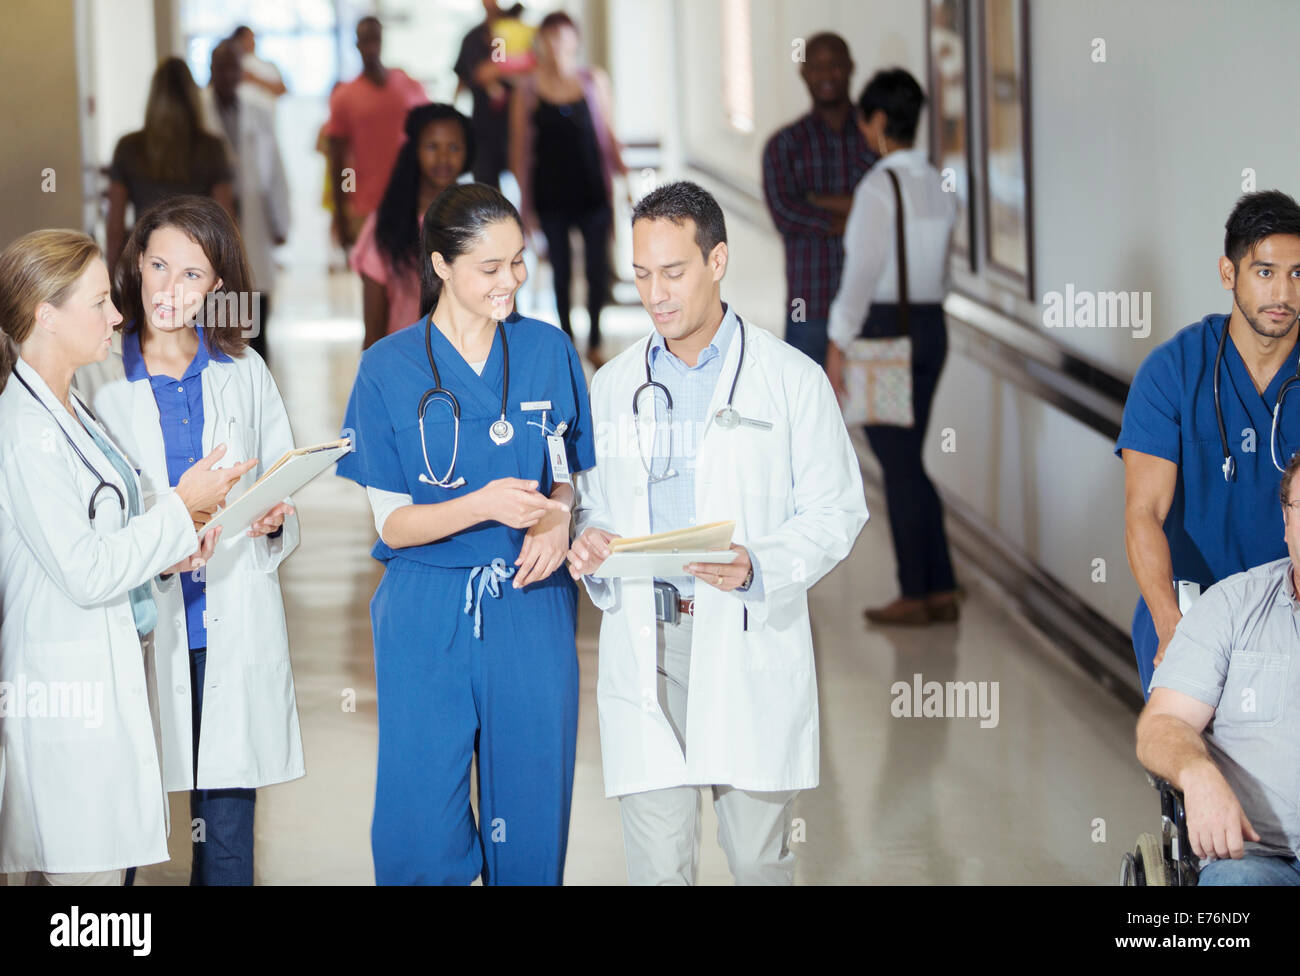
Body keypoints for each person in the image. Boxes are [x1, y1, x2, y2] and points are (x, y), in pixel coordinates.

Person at [567, 181, 868, 885]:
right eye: (642, 274)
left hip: (742, 632)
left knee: (760, 861)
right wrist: (593, 542)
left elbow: (836, 509)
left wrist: (759, 564)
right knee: (658, 867)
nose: (656, 294)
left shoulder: (790, 381)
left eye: (673, 271)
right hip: (651, 640)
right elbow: (595, 506)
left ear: (718, 260)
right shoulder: (611, 387)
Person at [335, 183, 595, 885]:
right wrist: (480, 504)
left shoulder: (547, 351)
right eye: (490, 267)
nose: (510, 280)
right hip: (425, 609)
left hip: (530, 597)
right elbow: (392, 520)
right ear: (442, 265)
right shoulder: (387, 368)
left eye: (517, 262)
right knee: (419, 820)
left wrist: (559, 511)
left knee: (533, 808)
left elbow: (569, 469)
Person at [0, 230, 248, 885]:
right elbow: (84, 572)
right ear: (47, 317)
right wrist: (178, 507)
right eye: (101, 302)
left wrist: (176, 539)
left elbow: (113, 537)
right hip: (64, 689)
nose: (118, 315)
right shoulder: (27, 434)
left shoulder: (69, 407)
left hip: (103, 676)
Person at [73, 196, 304, 886]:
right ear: (135, 266)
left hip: (227, 619)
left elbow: (279, 480)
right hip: (136, 625)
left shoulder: (244, 373)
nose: (169, 290)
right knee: (119, 815)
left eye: (193, 275)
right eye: (158, 266)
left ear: (220, 286)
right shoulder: (96, 376)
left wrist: (273, 518)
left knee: (227, 813)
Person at [1117, 190, 1300, 697]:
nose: (1282, 292)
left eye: (1297, 274)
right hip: (1189, 616)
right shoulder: (1174, 371)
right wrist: (1171, 624)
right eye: (1265, 272)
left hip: (1291, 622)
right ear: (1229, 273)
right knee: (1191, 769)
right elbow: (1143, 513)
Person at [824, 68, 959, 627]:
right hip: (932, 327)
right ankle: (940, 586)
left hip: (884, 331)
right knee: (910, 460)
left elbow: (862, 271)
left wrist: (837, 340)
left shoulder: (879, 186)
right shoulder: (939, 182)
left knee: (898, 463)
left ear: (878, 121)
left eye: (864, 121)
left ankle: (917, 590)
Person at [1135, 449, 1300, 884]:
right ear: (1286, 521)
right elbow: (1161, 725)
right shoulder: (1232, 607)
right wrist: (1196, 771)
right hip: (1258, 860)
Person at [510, 11, 627, 365]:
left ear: (575, 41)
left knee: (595, 268)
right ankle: (567, 341)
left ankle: (594, 338)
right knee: (559, 271)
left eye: (564, 38)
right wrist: (523, 207)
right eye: (551, 38)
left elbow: (606, 132)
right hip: (551, 197)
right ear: (542, 43)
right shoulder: (527, 89)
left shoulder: (593, 80)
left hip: (592, 192)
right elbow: (518, 150)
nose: (558, 46)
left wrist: (626, 181)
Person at [761, 32, 875, 369]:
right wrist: (856, 215)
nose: (827, 75)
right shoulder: (784, 144)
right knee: (807, 416)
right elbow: (785, 214)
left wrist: (816, 201)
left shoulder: (874, 139)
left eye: (835, 66)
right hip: (809, 307)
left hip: (871, 307)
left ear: (851, 68)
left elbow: (887, 206)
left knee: (880, 418)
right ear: (804, 73)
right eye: (817, 67)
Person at [352, 103, 474, 348]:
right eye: (432, 146)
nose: (443, 158)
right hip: (405, 362)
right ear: (414, 150)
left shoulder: (477, 219)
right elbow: (374, 321)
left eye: (453, 147)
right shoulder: (388, 223)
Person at [201, 40, 290, 364]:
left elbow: (274, 170)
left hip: (253, 222)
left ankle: (257, 375)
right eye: (219, 66)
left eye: (232, 67)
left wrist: (280, 221)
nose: (226, 74)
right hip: (213, 223)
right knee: (218, 306)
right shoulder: (198, 110)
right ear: (210, 69)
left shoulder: (259, 111)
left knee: (255, 309)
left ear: (242, 71)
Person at [106, 58, 234, 271]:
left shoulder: (128, 147)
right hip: (195, 261)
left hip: (146, 260)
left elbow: (115, 228)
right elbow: (225, 219)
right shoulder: (211, 148)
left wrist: (111, 278)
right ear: (193, 98)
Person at [326, 16, 428, 249]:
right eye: (365, 41)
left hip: (411, 204)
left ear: (382, 41)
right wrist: (342, 216)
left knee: (414, 282)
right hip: (366, 210)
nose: (371, 47)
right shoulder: (345, 96)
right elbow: (339, 164)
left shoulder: (408, 85)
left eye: (375, 40)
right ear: (357, 45)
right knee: (373, 283)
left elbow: (428, 139)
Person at [454, 1, 535, 189]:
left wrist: (498, 69)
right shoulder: (473, 39)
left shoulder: (524, 34)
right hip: (484, 131)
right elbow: (465, 80)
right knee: (486, 194)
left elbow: (535, 69)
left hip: (522, 128)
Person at [230, 25, 288, 109]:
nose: (251, 41)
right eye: (245, 38)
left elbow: (282, 90)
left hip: (265, 116)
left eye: (252, 37)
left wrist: (254, 78)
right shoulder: (231, 67)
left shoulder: (267, 65)